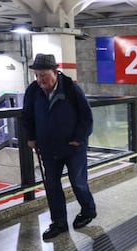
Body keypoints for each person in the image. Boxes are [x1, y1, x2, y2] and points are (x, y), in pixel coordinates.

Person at [22, 53, 97, 240]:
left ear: (55, 72)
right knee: (52, 186)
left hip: (73, 148)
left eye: (43, 75)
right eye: (37, 75)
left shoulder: (71, 88)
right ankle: (59, 222)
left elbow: (86, 117)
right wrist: (31, 137)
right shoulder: (33, 91)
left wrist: (79, 138)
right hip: (48, 148)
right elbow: (27, 116)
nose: (40, 80)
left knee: (78, 182)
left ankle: (88, 211)